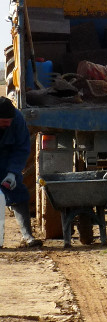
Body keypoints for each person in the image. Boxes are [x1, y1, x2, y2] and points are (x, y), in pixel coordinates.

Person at [0, 96, 42, 248]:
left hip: (8, 158)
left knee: (18, 192)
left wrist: (12, 173)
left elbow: (22, 148)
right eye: (4, 122)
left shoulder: (17, 119)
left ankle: (27, 236)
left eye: (10, 121)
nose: (9, 124)